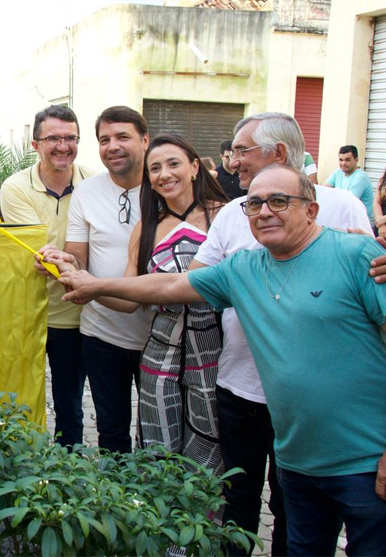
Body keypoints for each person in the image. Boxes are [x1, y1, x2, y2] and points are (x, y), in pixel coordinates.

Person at [55, 165, 386, 557]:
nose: (264, 212)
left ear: (311, 210)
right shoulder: (244, 268)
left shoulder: (356, 255)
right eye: (254, 204)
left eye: (279, 201)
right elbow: (171, 284)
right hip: (297, 462)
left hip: (366, 463)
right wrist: (95, 285)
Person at [188, 113, 370, 556]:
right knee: (239, 497)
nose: (232, 162)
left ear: (280, 153)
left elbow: (370, 282)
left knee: (296, 506)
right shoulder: (237, 211)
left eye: (242, 151)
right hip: (241, 386)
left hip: (317, 408)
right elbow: (192, 279)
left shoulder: (342, 206)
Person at [99, 134, 227, 470]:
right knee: (157, 457)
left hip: (216, 360)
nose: (164, 174)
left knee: (210, 458)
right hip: (159, 358)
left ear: (195, 167)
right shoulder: (147, 227)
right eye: (155, 168)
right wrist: (83, 283)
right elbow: (129, 297)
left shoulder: (226, 217)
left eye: (173, 164)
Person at [60, 106, 154, 453]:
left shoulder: (164, 187)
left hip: (160, 338)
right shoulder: (87, 192)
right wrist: (65, 264)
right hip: (102, 333)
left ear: (145, 140)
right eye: (104, 139)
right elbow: (77, 255)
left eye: (122, 137)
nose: (112, 146)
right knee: (112, 433)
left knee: (158, 435)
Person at [0, 105, 93, 448]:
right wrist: (64, 262)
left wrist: (66, 262)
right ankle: (23, 464)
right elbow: (35, 250)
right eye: (53, 138)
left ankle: (68, 466)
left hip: (73, 315)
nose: (63, 146)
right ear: (35, 144)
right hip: (28, 312)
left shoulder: (94, 184)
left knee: (70, 406)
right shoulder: (16, 188)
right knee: (20, 400)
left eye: (71, 138)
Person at [323, 145, 374, 226]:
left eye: (347, 160)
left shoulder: (360, 177)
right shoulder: (338, 172)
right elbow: (323, 191)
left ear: (356, 160)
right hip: (343, 220)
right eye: (341, 160)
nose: (343, 163)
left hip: (359, 224)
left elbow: (347, 202)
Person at [372, 167, 386, 238]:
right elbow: (377, 201)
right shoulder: (383, 177)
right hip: (381, 227)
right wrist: (381, 224)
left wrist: (383, 219)